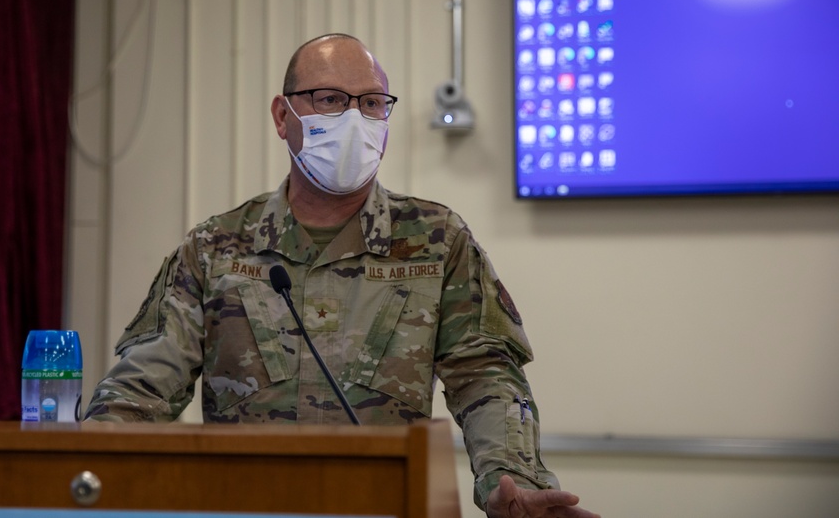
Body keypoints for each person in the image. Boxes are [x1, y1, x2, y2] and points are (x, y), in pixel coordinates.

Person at [85, 34, 599, 518]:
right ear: (282, 117)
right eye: (331, 99)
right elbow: (142, 390)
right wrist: (76, 467)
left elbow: (486, 377)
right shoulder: (215, 247)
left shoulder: (438, 239)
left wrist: (512, 481)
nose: (356, 118)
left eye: (372, 103)